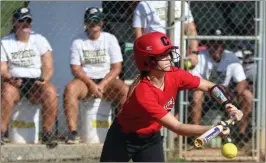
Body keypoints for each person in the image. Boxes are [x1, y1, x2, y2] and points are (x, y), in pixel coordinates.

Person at [99, 32, 243, 162]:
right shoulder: (143, 92)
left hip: (151, 138)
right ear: (148, 60)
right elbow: (177, 127)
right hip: (124, 138)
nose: (169, 58)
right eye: (163, 55)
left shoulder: (174, 74)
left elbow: (209, 86)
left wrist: (227, 104)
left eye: (169, 53)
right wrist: (213, 129)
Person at [63, 7, 129, 144]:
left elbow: (117, 68)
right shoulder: (78, 41)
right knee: (70, 89)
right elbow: (75, 68)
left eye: (97, 21)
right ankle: (73, 132)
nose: (94, 24)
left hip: (106, 81)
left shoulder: (110, 39)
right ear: (85, 23)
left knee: (125, 90)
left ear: (102, 23)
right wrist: (92, 84)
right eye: (91, 21)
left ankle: (123, 131)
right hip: (86, 82)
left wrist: (101, 85)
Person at [0, 7, 58, 147]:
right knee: (7, 93)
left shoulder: (39, 39)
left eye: (28, 20)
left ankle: (47, 133)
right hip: (15, 81)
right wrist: (10, 78)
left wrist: (44, 79)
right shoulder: (5, 42)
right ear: (14, 22)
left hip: (35, 83)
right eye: (21, 21)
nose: (25, 24)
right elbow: (2, 68)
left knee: (51, 91)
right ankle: (1, 132)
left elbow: (48, 65)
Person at [189, 29, 253, 148]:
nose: (216, 47)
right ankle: (196, 136)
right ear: (208, 45)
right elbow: (195, 83)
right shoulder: (201, 57)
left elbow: (242, 82)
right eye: (213, 43)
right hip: (206, 93)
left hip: (225, 95)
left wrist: (236, 92)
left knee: (247, 95)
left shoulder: (231, 57)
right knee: (197, 94)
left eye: (219, 44)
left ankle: (241, 135)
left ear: (223, 46)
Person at [132, 1, 199, 68]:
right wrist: (143, 59)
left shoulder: (181, 3)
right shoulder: (144, 5)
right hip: (156, 58)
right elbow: (139, 37)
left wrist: (194, 53)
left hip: (179, 58)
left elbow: (191, 29)